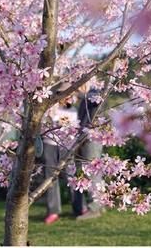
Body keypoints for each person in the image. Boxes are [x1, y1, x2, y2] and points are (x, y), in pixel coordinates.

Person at [42, 93, 80, 225]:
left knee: (72, 176)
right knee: (50, 178)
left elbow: (69, 125)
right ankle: (53, 211)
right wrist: (49, 114)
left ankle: (79, 208)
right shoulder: (47, 107)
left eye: (70, 95)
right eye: (65, 94)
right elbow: (42, 124)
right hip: (49, 144)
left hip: (66, 145)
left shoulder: (72, 110)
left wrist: (55, 117)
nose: (68, 97)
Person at [72, 87, 104, 220]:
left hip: (91, 139)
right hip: (87, 138)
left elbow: (96, 102)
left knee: (93, 173)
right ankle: (99, 205)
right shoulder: (85, 98)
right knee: (91, 172)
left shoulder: (93, 93)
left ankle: (94, 208)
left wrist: (82, 136)